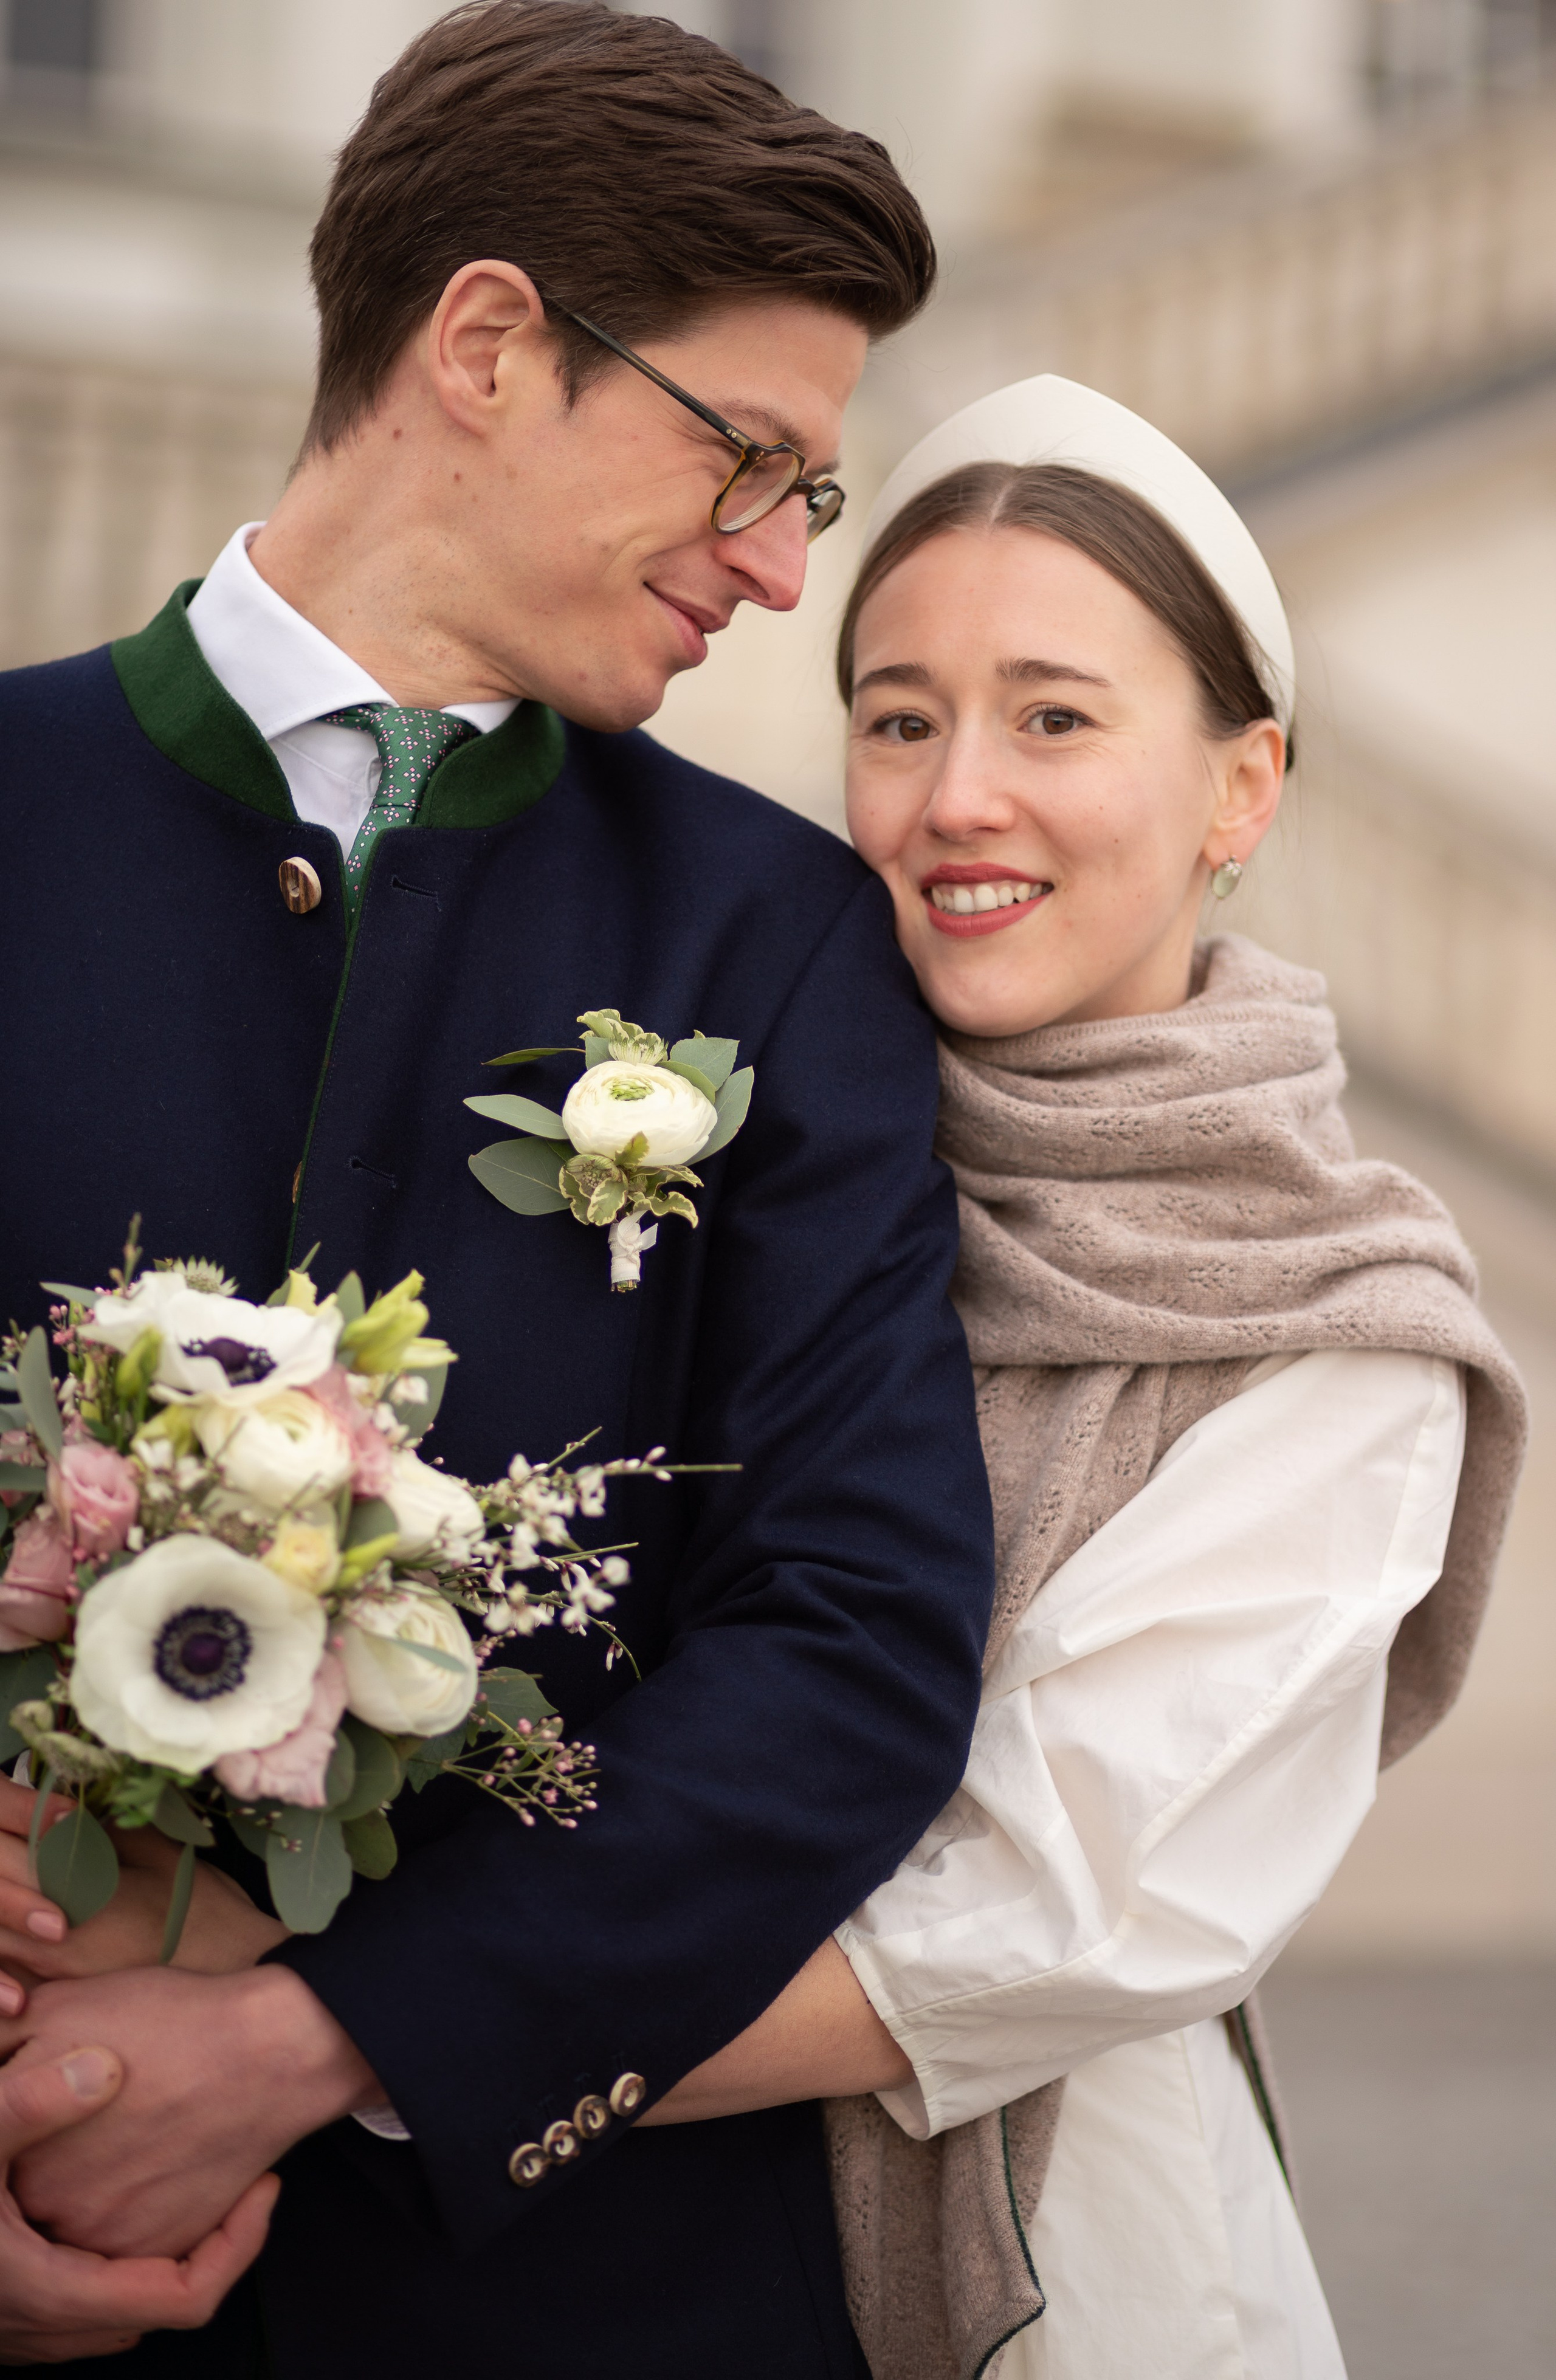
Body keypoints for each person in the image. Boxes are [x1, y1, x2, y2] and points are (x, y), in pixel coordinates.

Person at [0, 7, 996, 2373]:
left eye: (809, 499)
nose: (774, 566)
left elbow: (855, 1639)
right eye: (740, 459)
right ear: (482, 343)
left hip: (590, 2299)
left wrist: (329, 2035)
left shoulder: (780, 938)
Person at [626, 377, 1528, 2379]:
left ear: (1243, 787)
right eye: (897, 715)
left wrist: (372, 2055)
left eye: (1053, 715)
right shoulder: (711, 1150)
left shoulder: (1337, 1324)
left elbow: (1051, 1910)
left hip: (1056, 2284)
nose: (958, 796)